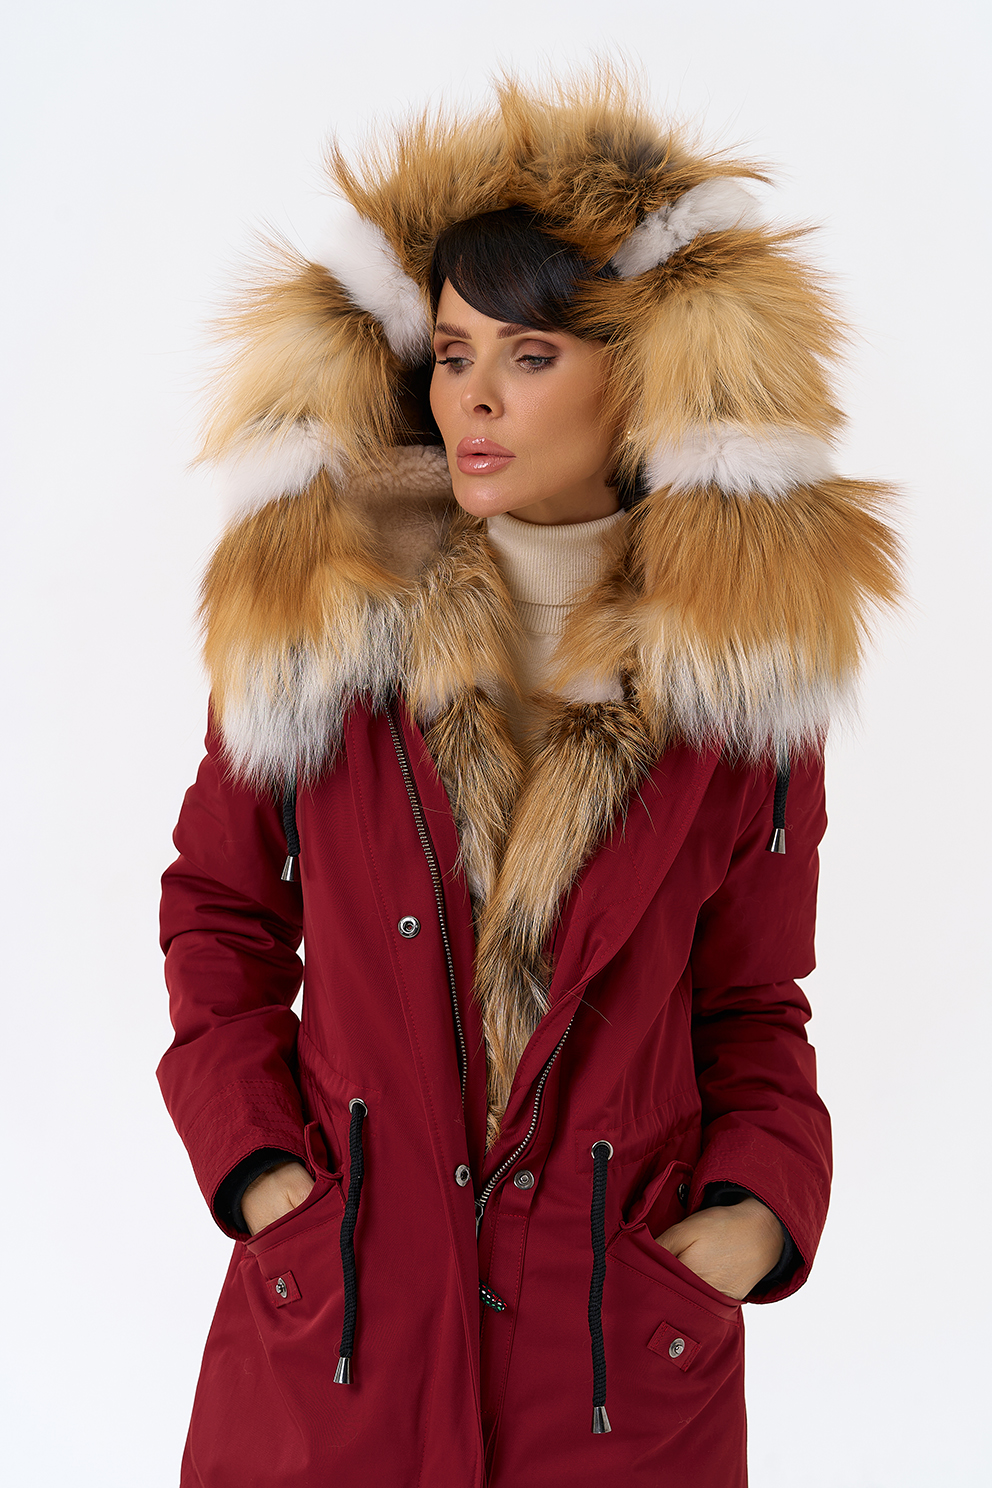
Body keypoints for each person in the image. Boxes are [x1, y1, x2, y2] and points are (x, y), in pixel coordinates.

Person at [158, 70, 900, 1487]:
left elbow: (753, 1003)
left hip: (617, 1374)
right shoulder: (326, 619)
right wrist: (261, 1173)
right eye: (451, 353)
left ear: (643, 374)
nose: (476, 398)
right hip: (339, 1350)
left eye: (532, 354)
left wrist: (755, 1213)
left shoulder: (737, 677)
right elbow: (218, 912)